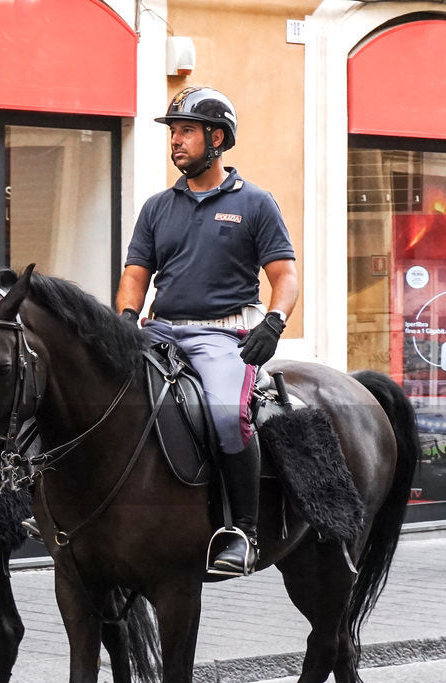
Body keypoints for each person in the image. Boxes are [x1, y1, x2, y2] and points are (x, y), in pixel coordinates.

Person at [117, 86, 298, 577]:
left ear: (216, 138)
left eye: (186, 131)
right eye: (173, 132)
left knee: (224, 415)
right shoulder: (157, 206)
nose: (175, 141)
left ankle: (242, 531)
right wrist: (125, 319)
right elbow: (136, 274)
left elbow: (284, 275)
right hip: (158, 332)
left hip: (222, 337)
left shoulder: (256, 202)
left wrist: (275, 322)